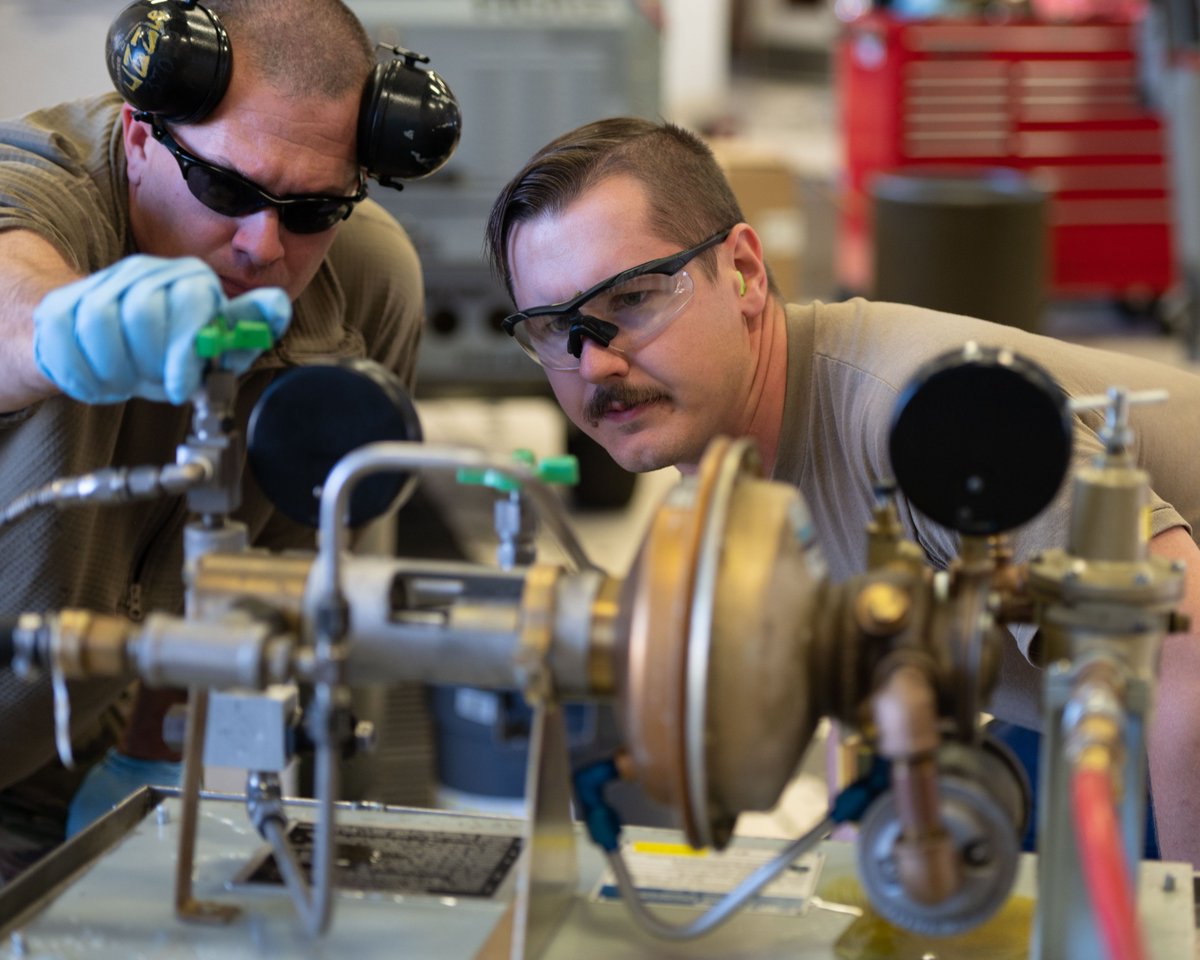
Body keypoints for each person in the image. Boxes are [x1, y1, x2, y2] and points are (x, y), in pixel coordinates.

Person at [483, 117, 1200, 867]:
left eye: (630, 300)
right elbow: (855, 672)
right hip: (1078, 704)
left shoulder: (922, 423)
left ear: (745, 274)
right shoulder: (728, 482)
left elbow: (1180, 645)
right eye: (553, 328)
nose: (594, 366)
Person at [0, 0, 455, 881]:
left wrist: (153, 754)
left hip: (67, 776)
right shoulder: (50, 188)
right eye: (228, 190)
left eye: (316, 209)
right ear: (139, 134)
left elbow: (257, 581)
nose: (263, 246)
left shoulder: (365, 286)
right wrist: (61, 330)